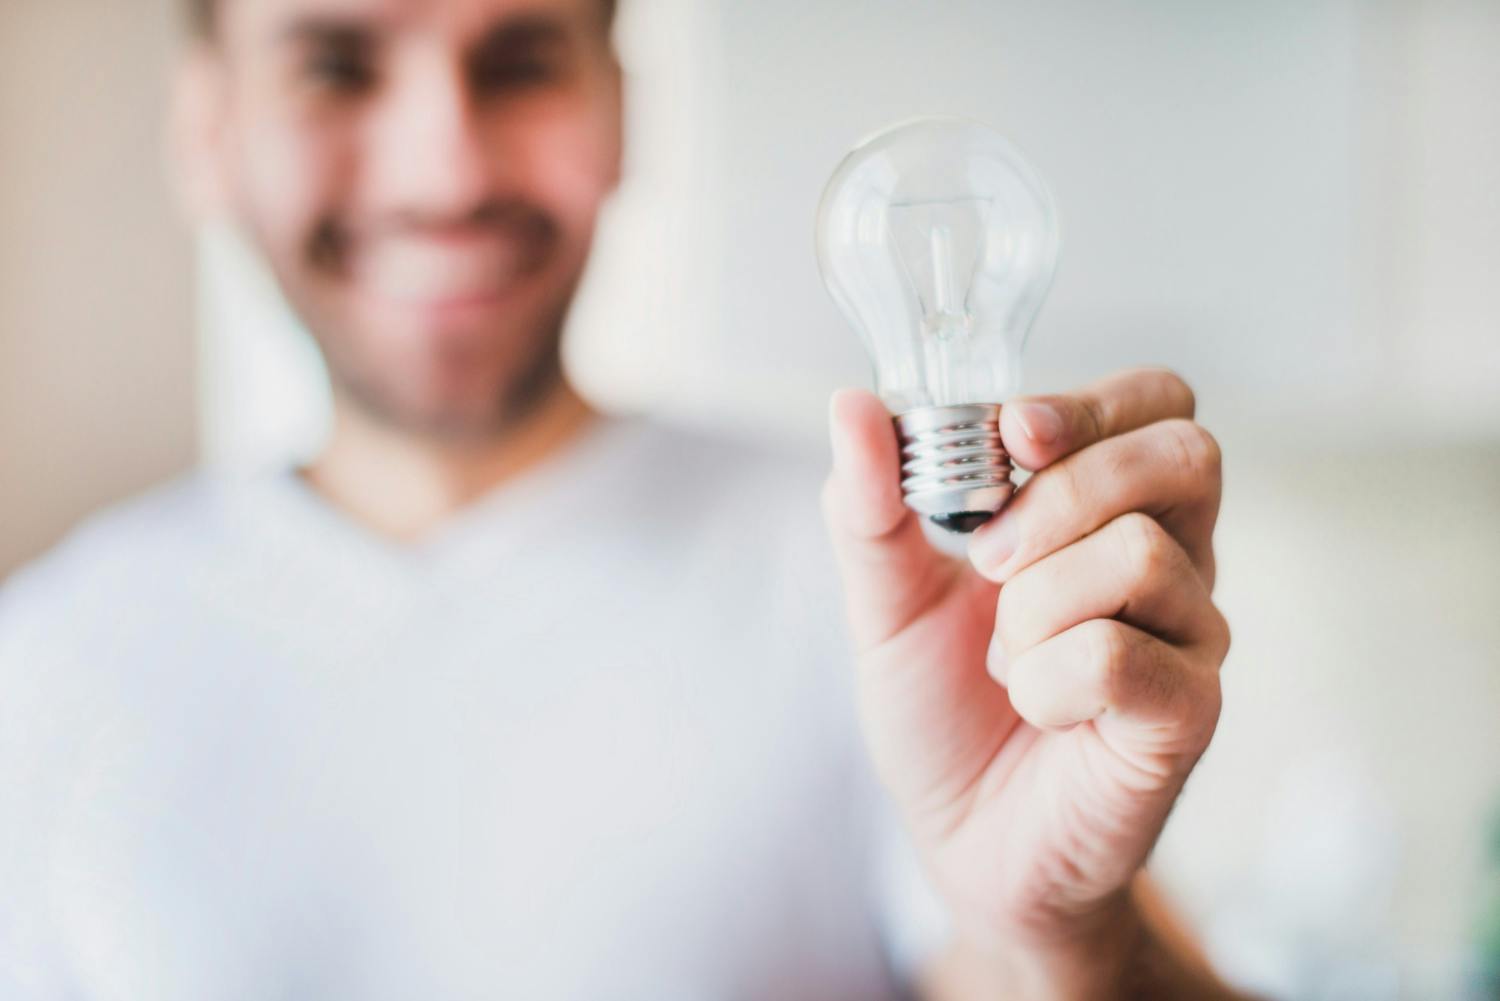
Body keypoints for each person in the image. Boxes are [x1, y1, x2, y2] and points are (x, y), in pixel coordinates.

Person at [0, 0, 1243, 997]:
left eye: (521, 59)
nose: (444, 169)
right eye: (336, 65)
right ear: (206, 132)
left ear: (621, 110)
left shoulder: (890, 586)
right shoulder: (48, 665)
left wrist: (1069, 940)